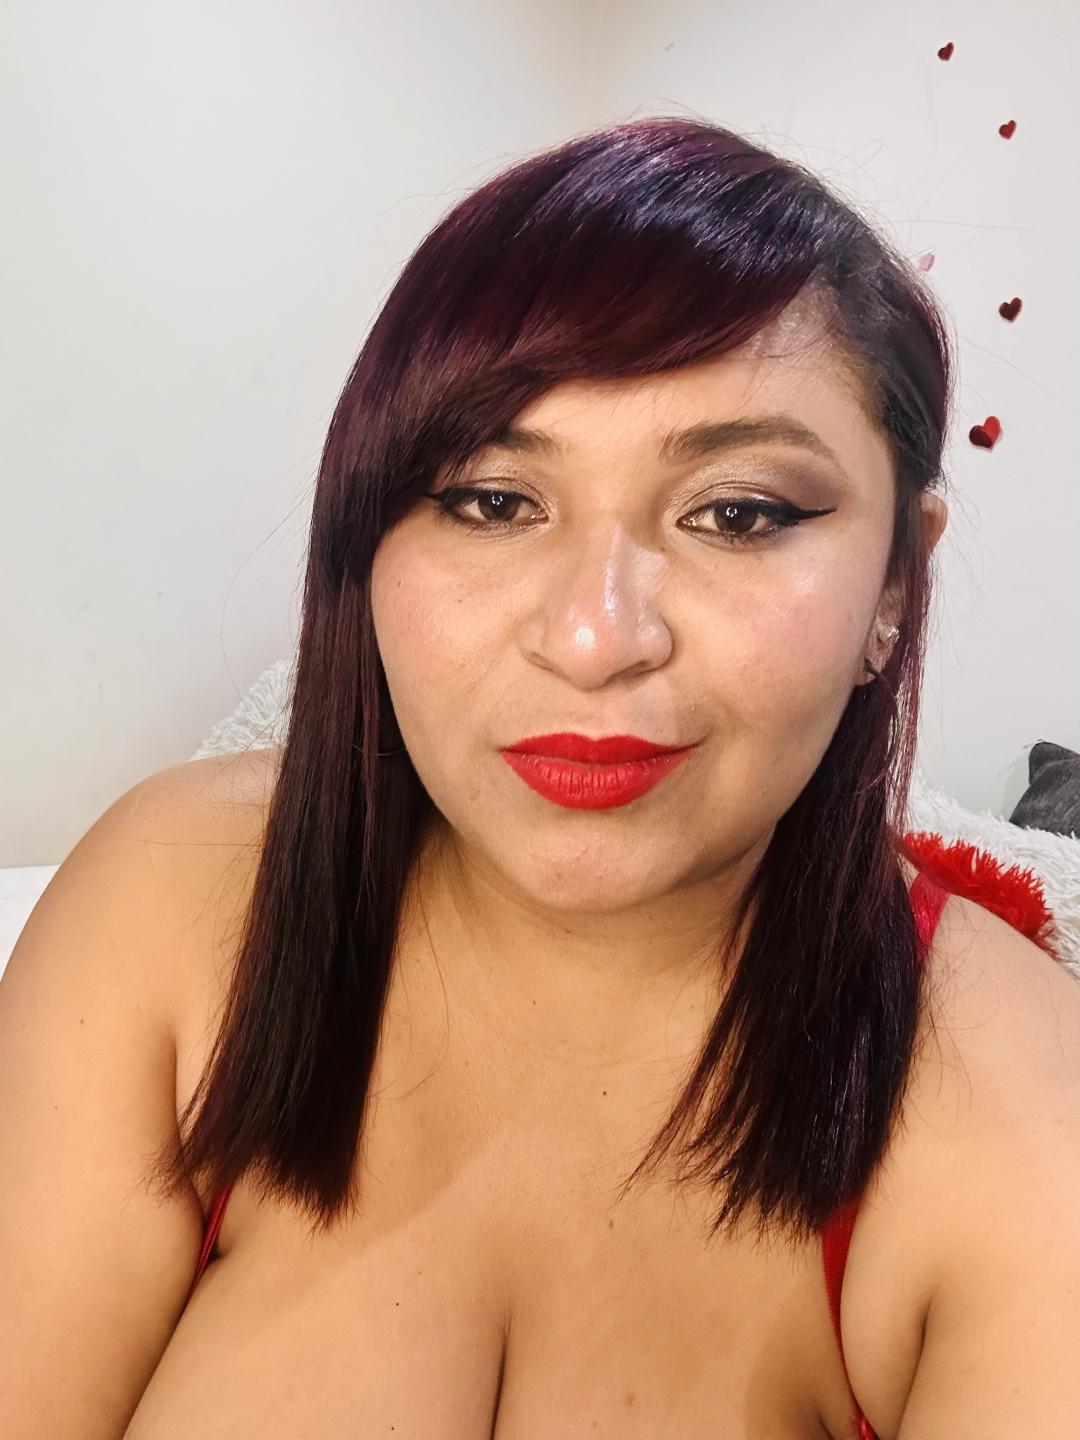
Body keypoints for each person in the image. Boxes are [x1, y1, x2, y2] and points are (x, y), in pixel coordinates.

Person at [4, 115, 1079, 1440]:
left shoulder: (1024, 1115)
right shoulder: (170, 910)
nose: (593, 637)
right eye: (492, 500)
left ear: (896, 585)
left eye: (738, 513)